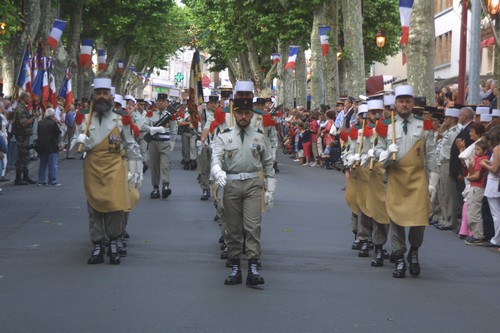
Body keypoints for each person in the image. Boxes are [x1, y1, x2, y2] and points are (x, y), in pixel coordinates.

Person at [211, 81, 276, 286]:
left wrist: (270, 190)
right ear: (235, 113)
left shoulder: (258, 137)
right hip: (230, 185)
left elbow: (268, 164)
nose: (244, 117)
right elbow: (216, 158)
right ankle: (236, 267)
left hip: (252, 184)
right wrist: (217, 170)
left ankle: (253, 266)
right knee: (233, 227)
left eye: (247, 113)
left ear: (251, 114)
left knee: (252, 226)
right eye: (240, 113)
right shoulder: (224, 137)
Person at [72, 77, 142, 265]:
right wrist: (78, 141)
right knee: (94, 206)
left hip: (115, 167)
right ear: (93, 95)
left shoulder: (121, 117)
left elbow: (130, 145)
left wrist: (136, 170)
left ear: (111, 95)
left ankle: (113, 242)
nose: (101, 97)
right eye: (98, 93)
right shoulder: (84, 117)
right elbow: (73, 146)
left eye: (105, 93)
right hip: (93, 167)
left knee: (115, 207)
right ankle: (96, 245)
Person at [375, 85, 437, 278]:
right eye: (400, 101)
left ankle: (415, 250)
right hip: (395, 177)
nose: (404, 105)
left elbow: (432, 154)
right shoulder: (386, 125)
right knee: (396, 219)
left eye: (407, 101)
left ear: (412, 104)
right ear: (395, 104)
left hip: (418, 178)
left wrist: (433, 181)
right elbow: (377, 150)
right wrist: (385, 153)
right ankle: (399, 256)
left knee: (419, 219)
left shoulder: (423, 125)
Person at [142, 93, 176, 199]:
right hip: (153, 142)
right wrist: (152, 129)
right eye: (159, 101)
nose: (161, 103)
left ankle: (165, 185)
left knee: (164, 165)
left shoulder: (171, 115)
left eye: (163, 101)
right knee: (154, 166)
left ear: (167, 103)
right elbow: (143, 125)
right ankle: (155, 187)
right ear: (156, 102)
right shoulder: (150, 114)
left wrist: (172, 143)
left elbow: (174, 130)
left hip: (165, 143)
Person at [12, 92, 39, 185]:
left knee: (25, 157)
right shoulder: (20, 109)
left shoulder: (24, 108)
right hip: (21, 136)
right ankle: (18, 178)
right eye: (29, 98)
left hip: (25, 136)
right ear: (24, 98)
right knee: (21, 157)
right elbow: (24, 123)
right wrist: (34, 117)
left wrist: (32, 116)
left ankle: (26, 176)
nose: (30, 100)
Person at [36, 108, 62, 186]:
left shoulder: (40, 122)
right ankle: (52, 181)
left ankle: (41, 181)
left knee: (42, 164)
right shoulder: (53, 123)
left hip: (42, 145)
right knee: (52, 165)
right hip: (51, 146)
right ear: (52, 115)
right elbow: (58, 133)